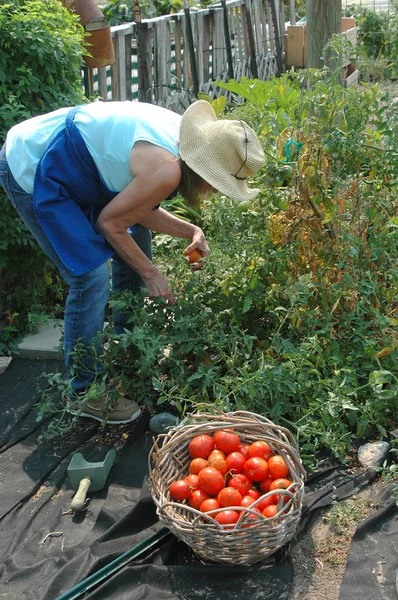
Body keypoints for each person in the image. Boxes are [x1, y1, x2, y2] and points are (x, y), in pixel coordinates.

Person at [0, 99, 265, 424]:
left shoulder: (181, 141)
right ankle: (84, 392)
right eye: (217, 183)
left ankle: (129, 346)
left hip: (76, 165)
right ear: (205, 169)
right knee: (90, 278)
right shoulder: (167, 166)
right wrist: (152, 274)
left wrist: (191, 230)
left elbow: (139, 210)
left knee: (136, 236)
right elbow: (111, 223)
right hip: (35, 164)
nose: (213, 191)